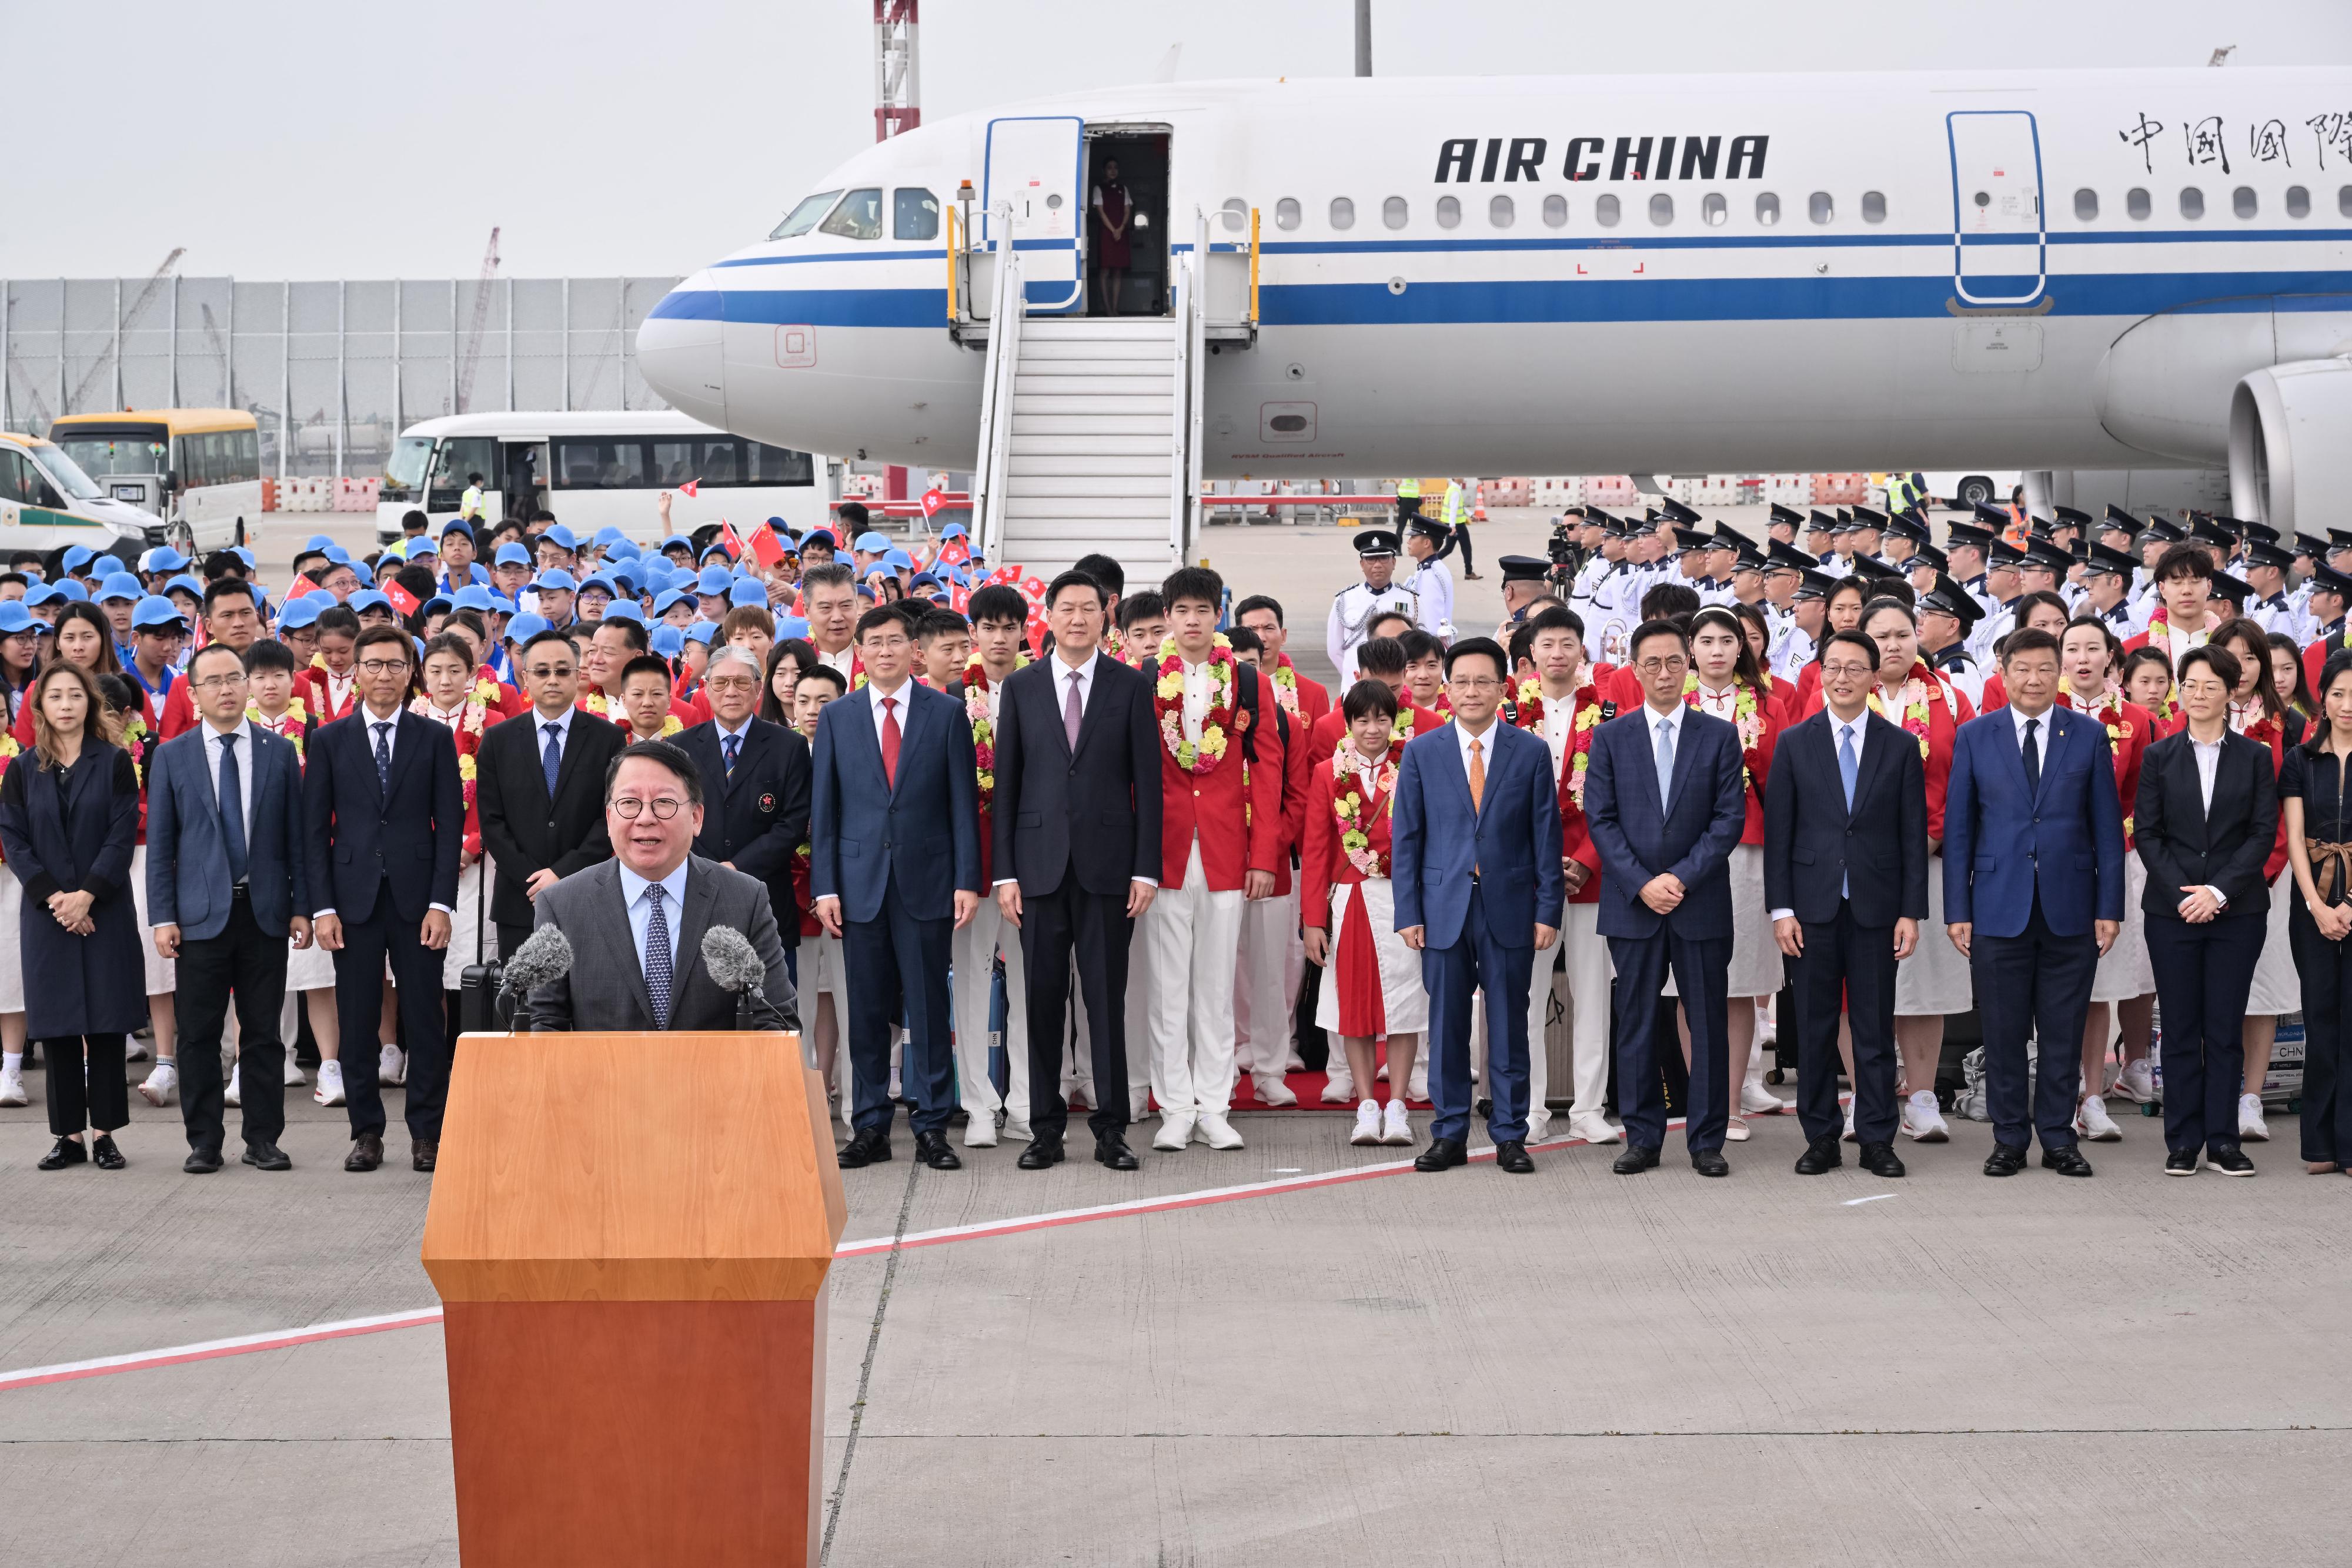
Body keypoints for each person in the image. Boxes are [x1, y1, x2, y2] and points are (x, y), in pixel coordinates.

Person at [990, 570, 1162, 1171]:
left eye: (1089, 609)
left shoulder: (1129, 687)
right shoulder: (1022, 688)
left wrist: (1146, 870)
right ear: (1050, 616)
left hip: (1110, 871)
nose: (1078, 619)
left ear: (1104, 616)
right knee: (1039, 1002)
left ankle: (1111, 1129)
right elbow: (1007, 785)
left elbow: (1149, 785)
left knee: (1104, 1002)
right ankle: (1044, 1128)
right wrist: (1004, 874)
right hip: (1036, 872)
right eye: (1067, 609)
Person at [1943, 626, 2125, 1178]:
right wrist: (1958, 909)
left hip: (2071, 905)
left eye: (2046, 668)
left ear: (2060, 672)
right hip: (1997, 906)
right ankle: (2008, 1139)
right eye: (2022, 668)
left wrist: (2109, 906)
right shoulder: (1977, 736)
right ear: (2003, 673)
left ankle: (2058, 1136)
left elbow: (2107, 831)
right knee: (2002, 1029)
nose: (2034, 679)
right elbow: (1959, 831)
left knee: (2062, 1029)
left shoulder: (2088, 735)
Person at [810, 604, 982, 1172]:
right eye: (874, 642)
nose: (885, 651)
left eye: (895, 641)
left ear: (914, 649)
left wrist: (966, 880)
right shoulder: (838, 715)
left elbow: (962, 804)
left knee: (929, 1007)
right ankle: (870, 1126)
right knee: (866, 1010)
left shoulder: (946, 712)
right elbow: (826, 810)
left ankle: (932, 1125)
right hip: (858, 886)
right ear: (859, 652)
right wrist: (826, 885)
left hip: (928, 881)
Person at [1391, 636, 1565, 1175]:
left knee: (1511, 1023)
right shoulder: (1422, 751)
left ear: (1502, 687)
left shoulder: (1530, 751)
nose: (1472, 691)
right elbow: (1408, 839)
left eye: (1483, 681)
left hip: (1510, 907)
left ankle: (1511, 1133)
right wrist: (1409, 912)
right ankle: (1449, 1133)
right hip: (1443, 909)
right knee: (1445, 1024)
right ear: (1448, 689)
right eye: (1461, 681)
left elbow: (1546, 838)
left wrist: (1547, 911)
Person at [1583, 619, 1749, 1176]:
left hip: (1698, 901)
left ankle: (1707, 1141)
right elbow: (1601, 821)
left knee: (1706, 1022)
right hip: (1633, 905)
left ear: (1690, 666)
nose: (1663, 672)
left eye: (1673, 661)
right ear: (1635, 669)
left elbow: (1728, 820)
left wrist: (1679, 877)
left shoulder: (1721, 735)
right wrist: (1642, 882)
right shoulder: (1610, 737)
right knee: (1635, 1023)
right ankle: (1643, 1137)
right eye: (1651, 663)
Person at [1765, 628, 1927, 1178]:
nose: (1842, 678)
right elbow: (1780, 834)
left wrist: (1911, 910)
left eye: (1855, 668)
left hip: (1877, 909)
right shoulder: (1795, 741)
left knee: (1874, 1028)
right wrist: (1780, 910)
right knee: (1812, 1028)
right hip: (1810, 909)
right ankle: (1820, 1138)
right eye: (1833, 667)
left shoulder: (1900, 745)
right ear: (1821, 672)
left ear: (1874, 676)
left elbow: (1911, 835)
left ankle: (1878, 1137)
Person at [145, 640, 311, 1174]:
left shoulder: (278, 752)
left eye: (234, 678)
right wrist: (163, 915)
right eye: (213, 681)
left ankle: (263, 1137)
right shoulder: (172, 755)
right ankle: (204, 1141)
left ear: (247, 685)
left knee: (263, 1031)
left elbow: (296, 842)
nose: (226, 688)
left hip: (264, 911)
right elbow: (162, 846)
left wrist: (301, 907)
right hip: (199, 917)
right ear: (193, 693)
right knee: (198, 1033)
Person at [304, 625, 465, 1175]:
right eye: (372, 665)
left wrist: (442, 903)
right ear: (357, 669)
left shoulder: (434, 738)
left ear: (410, 671)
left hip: (419, 902)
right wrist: (323, 908)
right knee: (358, 1018)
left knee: (424, 1019)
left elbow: (449, 828)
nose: (383, 675)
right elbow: (313, 832)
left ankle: (427, 1134)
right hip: (352, 904)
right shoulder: (328, 740)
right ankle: (366, 1131)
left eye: (395, 665)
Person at [1134, 567, 1279, 1152]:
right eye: (1181, 610)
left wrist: (1263, 854)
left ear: (1218, 616)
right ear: (1166, 618)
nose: (1192, 620)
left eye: (1203, 609)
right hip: (1165, 852)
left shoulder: (1248, 682)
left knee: (1217, 985)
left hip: (1226, 851)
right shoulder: (1142, 679)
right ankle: (1173, 1106)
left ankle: (1215, 1106)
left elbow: (1267, 773)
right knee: (1168, 986)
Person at [524, 740, 793, 1032]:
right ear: (610, 818)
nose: (646, 819)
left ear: (696, 818)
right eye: (629, 803)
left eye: (664, 802)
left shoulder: (745, 899)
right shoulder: (563, 905)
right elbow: (545, 1024)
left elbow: (775, 1020)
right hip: (604, 1078)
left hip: (711, 1078)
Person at [2137, 643, 2274, 1178]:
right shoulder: (2159, 756)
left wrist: (2217, 892)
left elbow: (2263, 833)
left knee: (2223, 1026)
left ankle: (2223, 1140)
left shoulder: (2257, 757)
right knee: (2179, 1023)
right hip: (2171, 913)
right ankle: (2182, 1140)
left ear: (2231, 691)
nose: (2198, 694)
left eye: (2210, 686)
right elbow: (2148, 833)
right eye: (2190, 684)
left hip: (2236, 913)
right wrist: (2184, 893)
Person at [1, 663, 144, 1171]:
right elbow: (14, 839)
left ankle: (105, 1133)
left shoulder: (114, 762)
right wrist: (58, 899)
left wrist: (87, 895)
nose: (65, 704)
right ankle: (68, 1135)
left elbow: (121, 833)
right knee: (59, 1025)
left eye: (74, 695)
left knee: (105, 1022)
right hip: (48, 913)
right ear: (39, 707)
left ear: (90, 703)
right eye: (54, 696)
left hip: (103, 906)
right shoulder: (22, 769)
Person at [1675, 606, 1788, 1138]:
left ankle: (1730, 1101)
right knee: (1688, 982)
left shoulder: (1770, 706)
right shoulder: (1671, 700)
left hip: (1748, 851)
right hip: (1683, 851)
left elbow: (1786, 786)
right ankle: (1703, 1100)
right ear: (1690, 648)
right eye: (1707, 641)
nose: (1718, 650)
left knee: (1738, 981)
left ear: (1743, 648)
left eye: (1729, 640)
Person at [1509, 605, 1617, 1144]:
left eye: (1567, 644)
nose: (1557, 654)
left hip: (1590, 875)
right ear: (1532, 654)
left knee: (1593, 993)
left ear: (1582, 652)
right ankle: (1529, 1109)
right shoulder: (1507, 716)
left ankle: (1588, 1107)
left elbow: (1618, 803)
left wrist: (1588, 860)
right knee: (1525, 995)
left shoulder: (1611, 717)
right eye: (1547, 645)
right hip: (1529, 878)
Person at [1302, 679, 1425, 1146]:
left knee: (1404, 1005)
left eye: (1381, 719)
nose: (1372, 729)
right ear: (1348, 723)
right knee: (1353, 1007)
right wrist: (1314, 920)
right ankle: (1365, 1105)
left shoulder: (1412, 766)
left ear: (1394, 722)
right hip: (1351, 900)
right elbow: (1315, 852)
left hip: (1403, 899)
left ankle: (1397, 1106)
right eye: (1362, 719)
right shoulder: (1325, 773)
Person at [946, 585, 1037, 1146]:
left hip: (1033, 861)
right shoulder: (951, 698)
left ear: (1025, 632)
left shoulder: (1043, 690)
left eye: (1010, 627)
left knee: (1032, 985)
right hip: (972, 864)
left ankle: (1026, 1101)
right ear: (972, 635)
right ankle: (978, 1103)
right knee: (972, 985)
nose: (999, 637)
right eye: (989, 627)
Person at [476, 627, 626, 962]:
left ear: (577, 675)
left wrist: (563, 873)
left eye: (562, 671)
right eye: (542, 672)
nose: (553, 679)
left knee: (588, 1004)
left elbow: (612, 816)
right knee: (524, 1006)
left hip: (589, 892)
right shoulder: (498, 740)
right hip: (520, 898)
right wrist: (532, 878)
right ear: (525, 678)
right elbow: (492, 822)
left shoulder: (608, 739)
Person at [674, 646, 810, 990]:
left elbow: (792, 823)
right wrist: (709, 869)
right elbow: (675, 816)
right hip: (695, 894)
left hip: (767, 898)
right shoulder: (680, 747)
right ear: (705, 688)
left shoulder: (788, 746)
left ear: (759, 689)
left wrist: (735, 868)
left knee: (774, 1013)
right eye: (720, 683)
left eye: (740, 682)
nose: (730, 691)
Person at [2285, 650, 2352, 1176]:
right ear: (2323, 699)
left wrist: (2349, 905)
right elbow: (2293, 838)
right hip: (2311, 902)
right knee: (2320, 1017)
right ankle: (2320, 1144)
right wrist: (2316, 904)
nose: (2348, 705)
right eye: (2339, 694)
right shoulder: (2300, 760)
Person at [1326, 530, 1427, 686]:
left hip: (1398, 685)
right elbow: (1335, 649)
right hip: (1355, 683)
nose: (1378, 565)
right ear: (1362, 564)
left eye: (1384, 558)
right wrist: (1352, 674)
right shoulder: (1345, 599)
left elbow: (1421, 646)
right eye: (1371, 559)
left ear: (1394, 562)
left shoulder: (1410, 599)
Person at [1090, 156, 1134, 316]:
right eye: (1110, 167)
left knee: (1118, 271)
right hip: (1107, 233)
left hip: (1120, 233)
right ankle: (1107, 308)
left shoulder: (1124, 188)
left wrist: (1121, 229)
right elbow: (1101, 212)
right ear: (1104, 170)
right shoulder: (1098, 188)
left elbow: (1127, 210)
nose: (1113, 170)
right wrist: (1114, 230)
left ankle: (1115, 308)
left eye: (1116, 167)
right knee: (1105, 270)